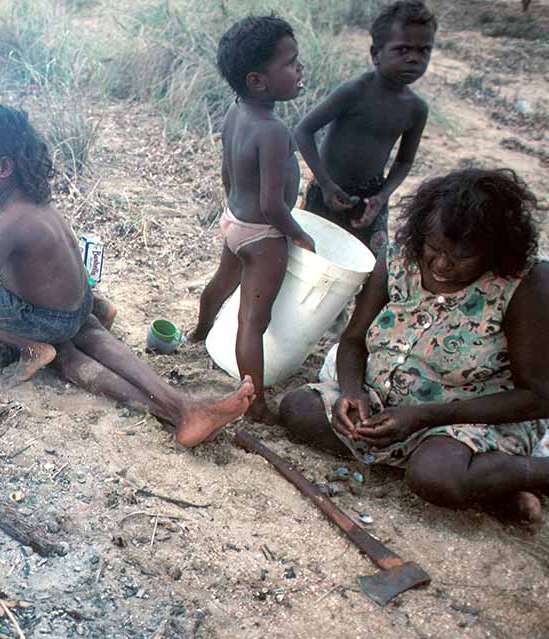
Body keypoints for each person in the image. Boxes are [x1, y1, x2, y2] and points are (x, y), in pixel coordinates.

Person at [0, 104, 255, 447]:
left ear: (3, 166)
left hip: (43, 317)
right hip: (77, 307)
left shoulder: (9, 220)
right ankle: (182, 406)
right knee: (91, 337)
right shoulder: (18, 198)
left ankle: (51, 351)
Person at [280, 169, 549, 523]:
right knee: (298, 408)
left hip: (471, 419)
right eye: (434, 248)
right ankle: (485, 481)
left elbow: (538, 397)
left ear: (494, 251)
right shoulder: (396, 260)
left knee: (433, 476)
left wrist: (428, 416)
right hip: (389, 407)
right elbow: (354, 340)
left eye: (461, 257)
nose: (441, 264)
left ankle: (532, 472)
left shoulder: (523, 285)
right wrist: (351, 391)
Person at [187, 15, 315, 425]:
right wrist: (298, 235)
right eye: (291, 64)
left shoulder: (237, 113)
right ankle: (254, 401)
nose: (299, 71)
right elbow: (274, 204)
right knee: (252, 321)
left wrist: (234, 213)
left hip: (235, 220)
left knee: (221, 284)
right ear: (259, 81)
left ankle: (199, 332)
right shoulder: (273, 131)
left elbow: (228, 173)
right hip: (264, 236)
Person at [295, 0, 437, 253]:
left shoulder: (416, 109)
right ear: (375, 54)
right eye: (402, 50)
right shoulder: (354, 92)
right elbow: (303, 131)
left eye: (424, 51)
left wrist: (382, 196)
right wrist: (325, 184)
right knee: (314, 257)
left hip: (371, 199)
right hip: (327, 191)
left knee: (367, 263)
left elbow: (404, 161)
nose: (414, 59)